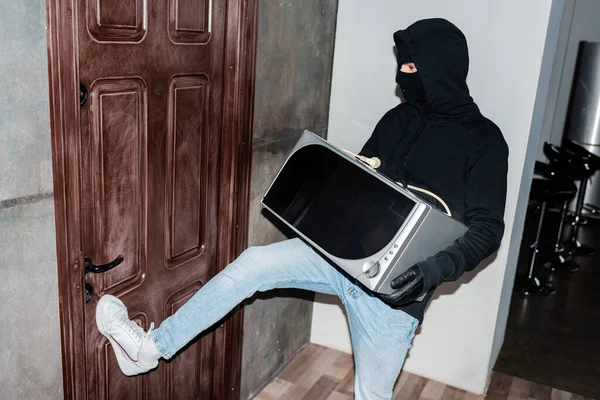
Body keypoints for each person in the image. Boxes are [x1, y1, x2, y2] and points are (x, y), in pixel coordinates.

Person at [96, 18, 508, 399]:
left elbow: (487, 232)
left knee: (372, 396)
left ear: (442, 69)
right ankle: (149, 349)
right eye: (402, 67)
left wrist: (432, 273)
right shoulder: (395, 120)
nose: (402, 76)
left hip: (396, 295)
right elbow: (362, 181)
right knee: (254, 265)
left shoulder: (485, 142)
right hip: (341, 258)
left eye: (413, 69)